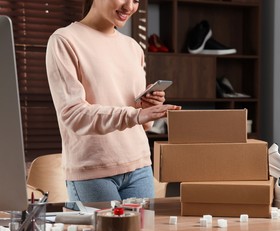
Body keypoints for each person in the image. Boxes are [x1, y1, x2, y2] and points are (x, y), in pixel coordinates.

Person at [45, 0, 181, 202]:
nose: (129, 6)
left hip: (140, 166)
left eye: (135, 0)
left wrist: (147, 107)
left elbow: (140, 123)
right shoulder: (65, 40)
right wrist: (136, 114)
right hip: (92, 171)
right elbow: (73, 115)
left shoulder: (133, 47)